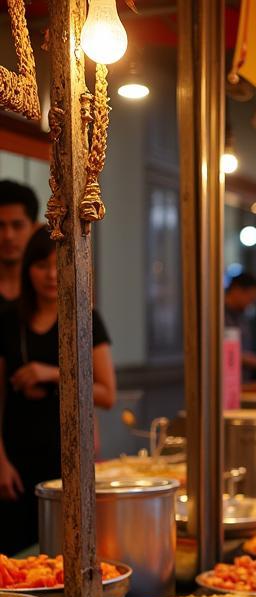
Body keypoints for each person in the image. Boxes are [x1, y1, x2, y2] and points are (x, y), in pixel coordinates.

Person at [0, 227, 116, 554]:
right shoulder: (9, 321)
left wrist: (49, 373)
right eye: (40, 265)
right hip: (15, 453)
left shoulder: (86, 317)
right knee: (13, 551)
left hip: (69, 451)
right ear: (27, 270)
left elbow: (107, 393)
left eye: (58, 263)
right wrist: (0, 459)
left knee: (65, 547)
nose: (51, 274)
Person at [224, 271, 256, 380]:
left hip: (242, 380)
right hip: (226, 380)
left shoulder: (242, 316)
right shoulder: (219, 316)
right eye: (250, 299)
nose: (251, 304)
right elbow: (222, 351)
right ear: (237, 290)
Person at [0, 181, 37, 309]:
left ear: (33, 228)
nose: (8, 236)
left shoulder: (48, 288)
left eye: (17, 225)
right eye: (0, 226)